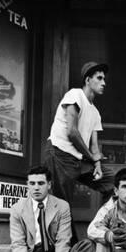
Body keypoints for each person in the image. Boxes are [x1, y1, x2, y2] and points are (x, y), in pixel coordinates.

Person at [44, 61, 115, 239]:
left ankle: (100, 228)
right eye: (99, 78)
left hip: (79, 159)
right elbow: (72, 132)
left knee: (114, 183)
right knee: (62, 208)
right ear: (88, 80)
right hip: (60, 154)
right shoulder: (75, 94)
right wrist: (91, 157)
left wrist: (97, 164)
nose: (104, 82)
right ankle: (69, 250)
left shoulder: (95, 112)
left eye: (104, 78)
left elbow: (94, 145)